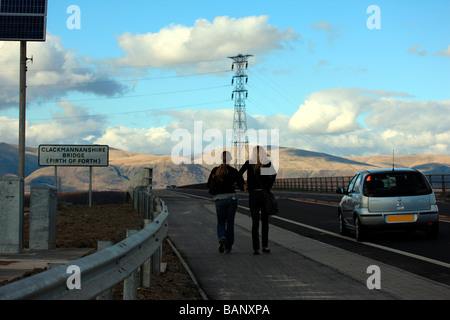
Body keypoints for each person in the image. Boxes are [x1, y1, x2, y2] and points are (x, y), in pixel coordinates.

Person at [239, 146, 277, 255]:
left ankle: (255, 248)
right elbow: (274, 174)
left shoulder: (249, 163)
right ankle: (265, 246)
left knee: (255, 222)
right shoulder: (267, 163)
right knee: (265, 222)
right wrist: (269, 185)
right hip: (264, 195)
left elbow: (239, 174)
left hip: (253, 195)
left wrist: (244, 185)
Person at [207, 151, 245, 254]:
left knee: (220, 222)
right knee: (230, 223)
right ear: (230, 159)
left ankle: (221, 237)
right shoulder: (233, 171)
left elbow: (208, 185)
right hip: (231, 199)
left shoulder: (215, 170)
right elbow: (242, 185)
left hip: (219, 199)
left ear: (221, 159)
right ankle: (228, 248)